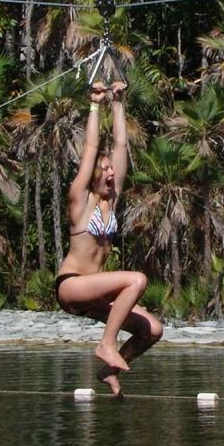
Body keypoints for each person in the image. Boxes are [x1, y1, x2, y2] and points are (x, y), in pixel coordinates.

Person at [55, 79, 162, 398]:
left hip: (96, 296)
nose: (111, 174)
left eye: (112, 171)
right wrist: (94, 104)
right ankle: (106, 344)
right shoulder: (80, 201)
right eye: (105, 171)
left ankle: (110, 370)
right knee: (136, 280)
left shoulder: (111, 201)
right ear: (92, 176)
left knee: (152, 330)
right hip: (73, 286)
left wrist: (117, 102)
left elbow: (120, 146)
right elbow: (91, 149)